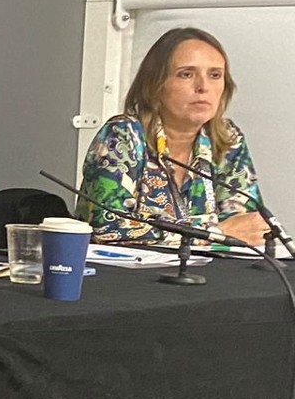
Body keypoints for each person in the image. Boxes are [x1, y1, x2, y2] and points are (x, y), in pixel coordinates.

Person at [79, 27, 266, 246]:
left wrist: (222, 232)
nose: (203, 87)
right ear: (155, 85)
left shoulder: (226, 138)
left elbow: (247, 224)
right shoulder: (123, 135)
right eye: (186, 74)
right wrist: (213, 232)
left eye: (215, 75)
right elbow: (108, 229)